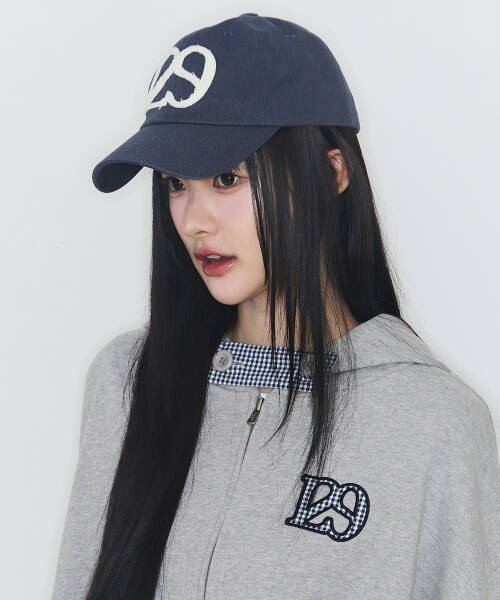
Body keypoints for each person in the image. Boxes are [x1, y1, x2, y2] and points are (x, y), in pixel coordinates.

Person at [51, 12, 500, 600]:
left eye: (227, 178)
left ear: (332, 173)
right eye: (175, 183)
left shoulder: (432, 422)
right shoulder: (127, 381)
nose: (194, 221)